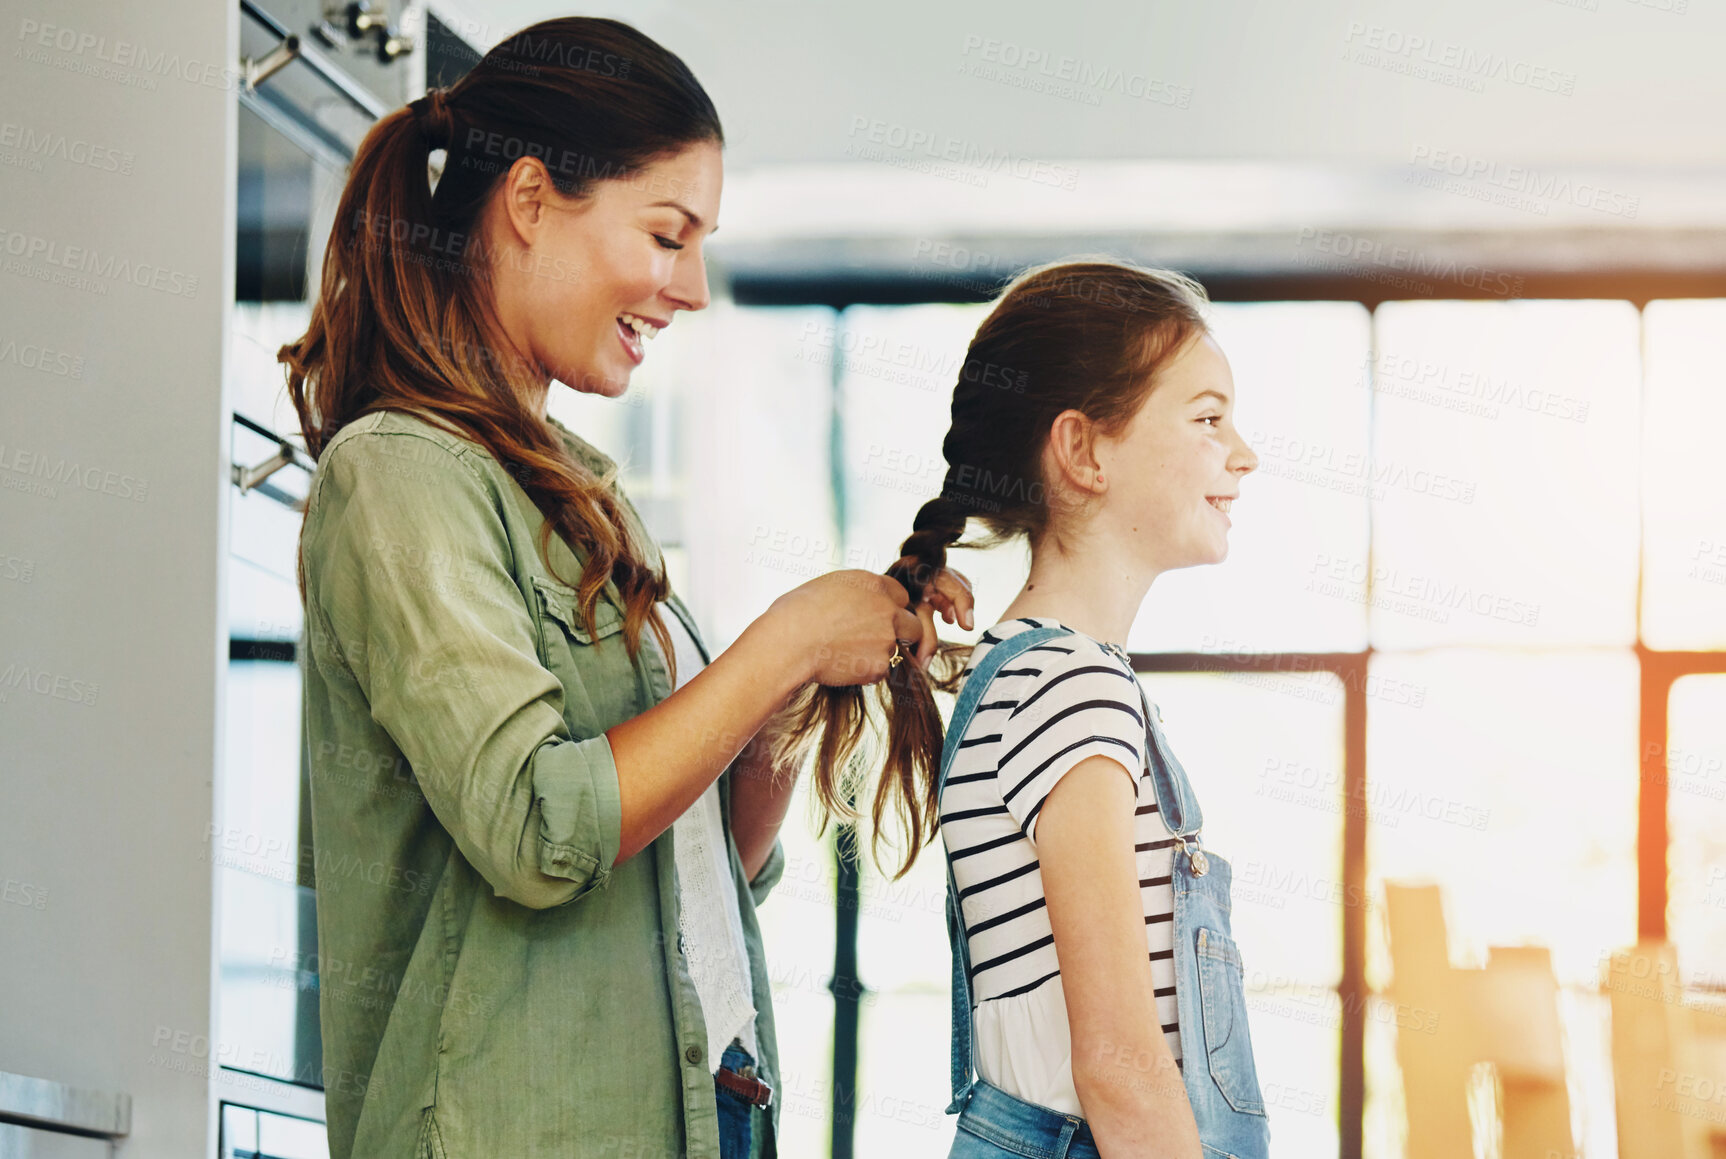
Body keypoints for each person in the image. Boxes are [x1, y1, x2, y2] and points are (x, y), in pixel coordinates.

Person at [280, 18, 974, 1159]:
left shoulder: (582, 495)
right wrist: (787, 644)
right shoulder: (400, 472)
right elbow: (538, 830)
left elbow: (715, 863)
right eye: (666, 233)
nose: (691, 287)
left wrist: (790, 698)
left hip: (705, 1109)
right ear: (530, 199)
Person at [777, 259, 1271, 1158]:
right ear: (1083, 451)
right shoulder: (1073, 688)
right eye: (1207, 419)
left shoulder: (1021, 673)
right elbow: (1120, 1064)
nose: (1244, 453)